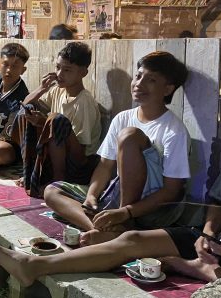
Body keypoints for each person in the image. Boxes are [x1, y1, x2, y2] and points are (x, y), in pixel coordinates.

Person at [0, 77, 221, 287]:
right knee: (131, 240)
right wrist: (208, 234)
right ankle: (34, 266)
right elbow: (217, 204)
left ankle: (202, 269)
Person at [44, 51, 190, 246]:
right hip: (118, 196)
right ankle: (102, 229)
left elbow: (171, 191)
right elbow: (105, 166)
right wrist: (91, 196)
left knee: (130, 136)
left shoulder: (174, 130)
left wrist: (125, 212)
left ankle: (122, 224)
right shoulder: (123, 118)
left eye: (151, 80)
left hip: (152, 209)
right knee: (52, 191)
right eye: (138, 76)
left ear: (168, 89)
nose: (139, 84)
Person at [9, 42, 101, 197]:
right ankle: (31, 172)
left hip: (79, 167)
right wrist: (41, 89)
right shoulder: (57, 91)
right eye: (58, 67)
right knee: (27, 111)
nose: (59, 74)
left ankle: (58, 182)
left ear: (83, 73)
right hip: (56, 157)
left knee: (56, 120)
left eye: (67, 70)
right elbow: (25, 103)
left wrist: (45, 123)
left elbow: (81, 152)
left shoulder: (84, 101)